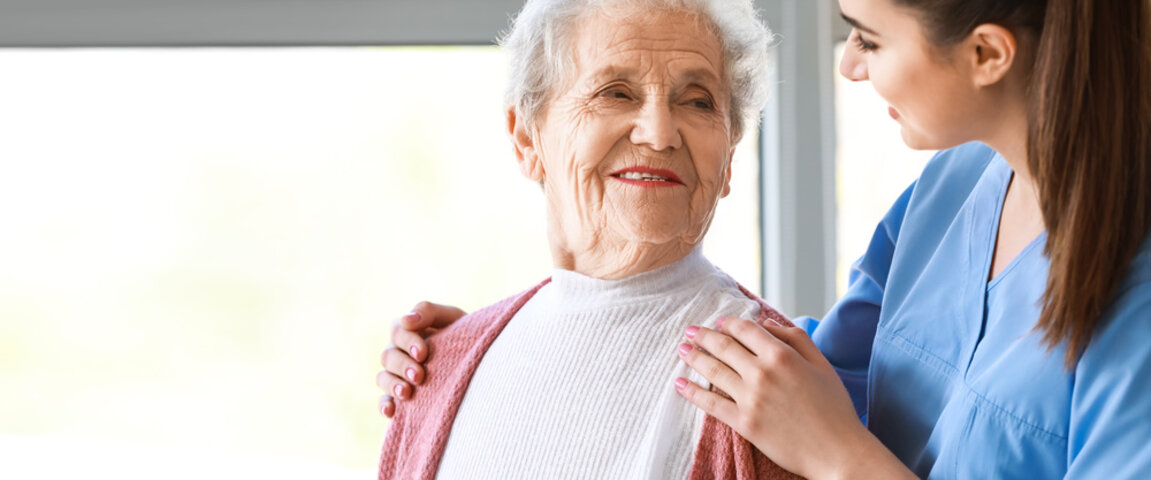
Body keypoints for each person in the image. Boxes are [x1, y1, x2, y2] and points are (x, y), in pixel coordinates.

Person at [380, 0, 1151, 477]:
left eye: (868, 39)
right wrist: (501, 349)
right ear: (525, 139)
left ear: (985, 54)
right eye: (614, 91)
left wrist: (842, 463)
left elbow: (811, 420)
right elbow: (813, 371)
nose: (847, 64)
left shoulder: (1136, 297)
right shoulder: (946, 195)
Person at [377, 0, 801, 478]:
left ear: (730, 154)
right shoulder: (434, 370)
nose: (660, 133)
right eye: (616, 93)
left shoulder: (773, 386)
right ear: (526, 139)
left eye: (698, 101)